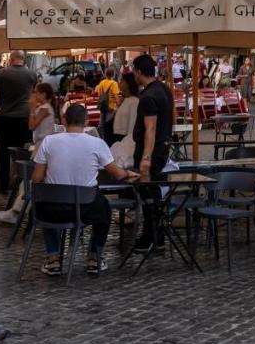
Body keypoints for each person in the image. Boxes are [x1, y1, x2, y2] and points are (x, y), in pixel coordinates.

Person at [32, 102, 138, 276]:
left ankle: (52, 258)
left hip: (53, 209)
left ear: (64, 120)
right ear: (87, 121)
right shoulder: (97, 143)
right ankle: (94, 257)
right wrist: (128, 173)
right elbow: (117, 174)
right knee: (104, 209)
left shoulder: (48, 142)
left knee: (42, 200)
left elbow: (36, 178)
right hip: (86, 207)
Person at [131, 54, 173, 249]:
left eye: (134, 71)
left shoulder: (148, 96)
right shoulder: (164, 89)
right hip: (162, 147)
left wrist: (145, 159)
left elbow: (150, 129)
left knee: (148, 192)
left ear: (139, 72)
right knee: (152, 191)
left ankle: (151, 236)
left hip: (152, 150)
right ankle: (156, 235)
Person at [0, 50, 37, 194]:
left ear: (11, 59)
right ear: (23, 59)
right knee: (23, 152)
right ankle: (20, 184)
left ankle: (4, 185)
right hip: (24, 117)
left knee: (3, 153)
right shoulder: (32, 74)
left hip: (4, 117)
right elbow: (34, 95)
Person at [94, 68, 121, 142]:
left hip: (102, 106)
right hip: (111, 107)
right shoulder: (114, 83)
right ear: (113, 74)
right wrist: (119, 106)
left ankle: (102, 139)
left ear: (105, 74)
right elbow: (116, 97)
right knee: (109, 124)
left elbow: (99, 94)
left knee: (102, 124)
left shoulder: (101, 82)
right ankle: (108, 140)